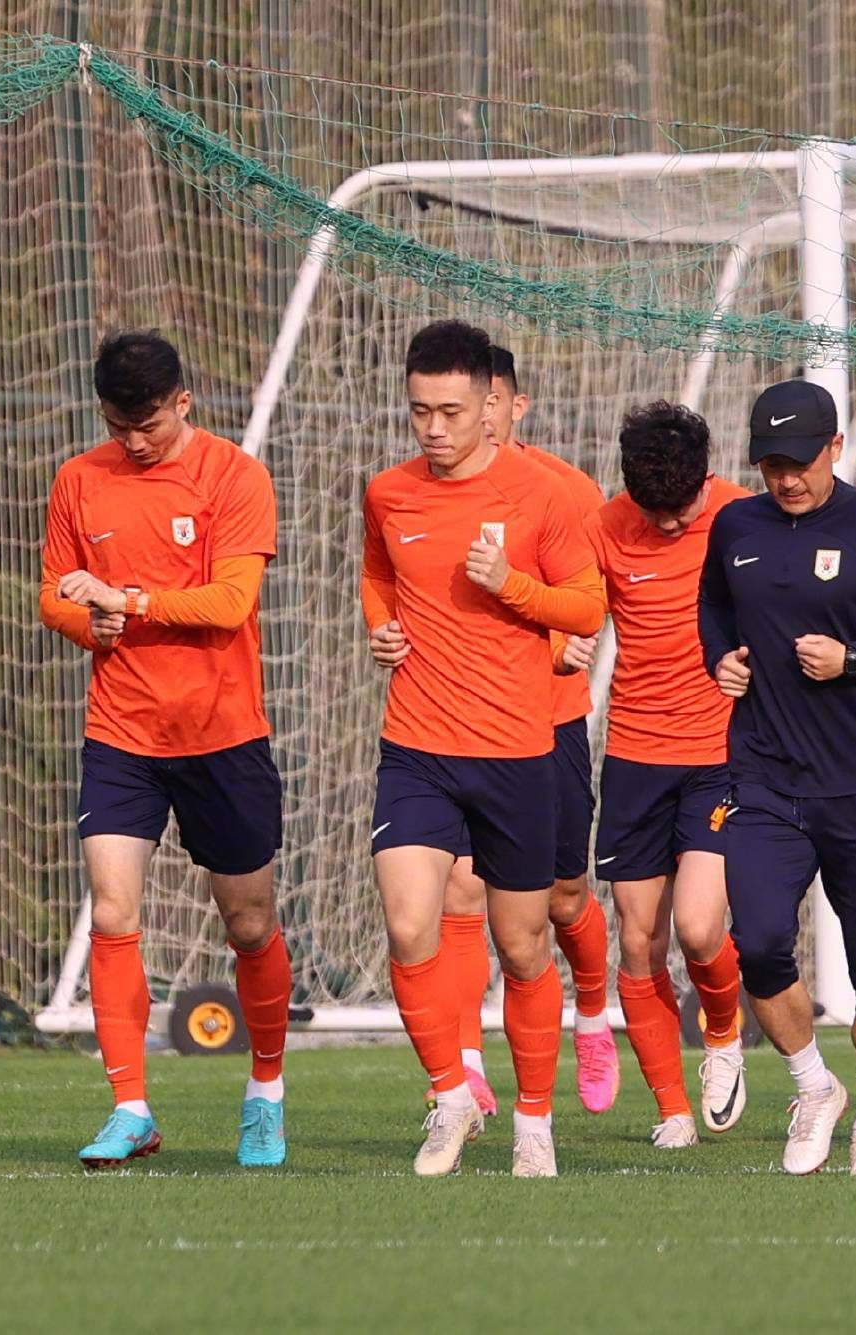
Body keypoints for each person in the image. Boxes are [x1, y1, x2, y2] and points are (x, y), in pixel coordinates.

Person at [40, 331, 293, 1170]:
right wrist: (91, 619)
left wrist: (128, 599)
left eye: (147, 424)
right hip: (121, 734)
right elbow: (54, 594)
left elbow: (229, 603)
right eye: (119, 425)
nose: (134, 441)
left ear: (183, 402)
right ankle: (130, 1108)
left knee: (249, 922)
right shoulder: (79, 479)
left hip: (224, 736)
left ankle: (264, 1090)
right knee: (112, 911)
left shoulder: (235, 477)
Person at [362, 320, 606, 1177]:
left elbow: (585, 608)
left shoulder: (539, 494)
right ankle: (449, 1094)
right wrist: (380, 628)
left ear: (488, 405)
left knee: (522, 945)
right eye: (420, 410)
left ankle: (535, 1118)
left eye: (450, 411)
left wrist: (511, 586)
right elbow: (378, 576)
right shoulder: (387, 492)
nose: (433, 428)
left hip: (515, 750)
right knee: (406, 921)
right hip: (416, 744)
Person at [699, 380, 856, 1177]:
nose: (786, 478)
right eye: (772, 463)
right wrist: (722, 656)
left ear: (835, 448)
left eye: (801, 461)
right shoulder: (735, 524)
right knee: (762, 941)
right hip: (765, 779)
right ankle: (815, 1087)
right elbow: (713, 604)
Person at [429, 345, 616, 1120]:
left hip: (552, 722)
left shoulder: (564, 492)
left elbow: (586, 600)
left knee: (564, 897)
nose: (482, 418)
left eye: (492, 401)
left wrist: (569, 643)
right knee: (462, 888)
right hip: (464, 730)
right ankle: (468, 1061)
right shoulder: (422, 493)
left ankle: (596, 1019)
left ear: (513, 405)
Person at [582, 401, 752, 1148]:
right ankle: (672, 1108)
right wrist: (562, 642)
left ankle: (722, 1033)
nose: (673, 525)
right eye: (657, 512)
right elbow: (575, 608)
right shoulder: (606, 526)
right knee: (638, 940)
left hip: (721, 753)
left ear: (706, 477)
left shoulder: (744, 518)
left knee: (697, 924)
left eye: (683, 509)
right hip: (634, 758)